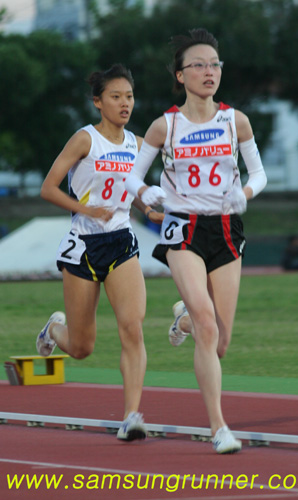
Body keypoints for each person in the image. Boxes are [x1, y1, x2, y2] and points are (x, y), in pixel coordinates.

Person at [125, 28, 267, 454]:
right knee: (208, 326)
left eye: (215, 64)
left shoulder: (234, 120)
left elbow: (258, 173)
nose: (209, 71)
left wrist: (243, 195)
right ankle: (219, 428)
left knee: (219, 341)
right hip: (182, 228)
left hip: (225, 227)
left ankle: (183, 318)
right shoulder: (164, 125)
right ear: (180, 75)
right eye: (199, 65)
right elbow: (134, 174)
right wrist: (145, 192)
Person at [36, 64, 163, 442]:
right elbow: (48, 188)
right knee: (81, 347)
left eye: (130, 97)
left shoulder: (138, 145)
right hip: (84, 246)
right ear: (98, 102)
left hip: (121, 241)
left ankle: (132, 416)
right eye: (116, 97)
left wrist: (151, 209)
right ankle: (51, 331)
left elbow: (137, 193)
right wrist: (85, 209)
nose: (125, 104)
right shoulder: (84, 140)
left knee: (132, 327)